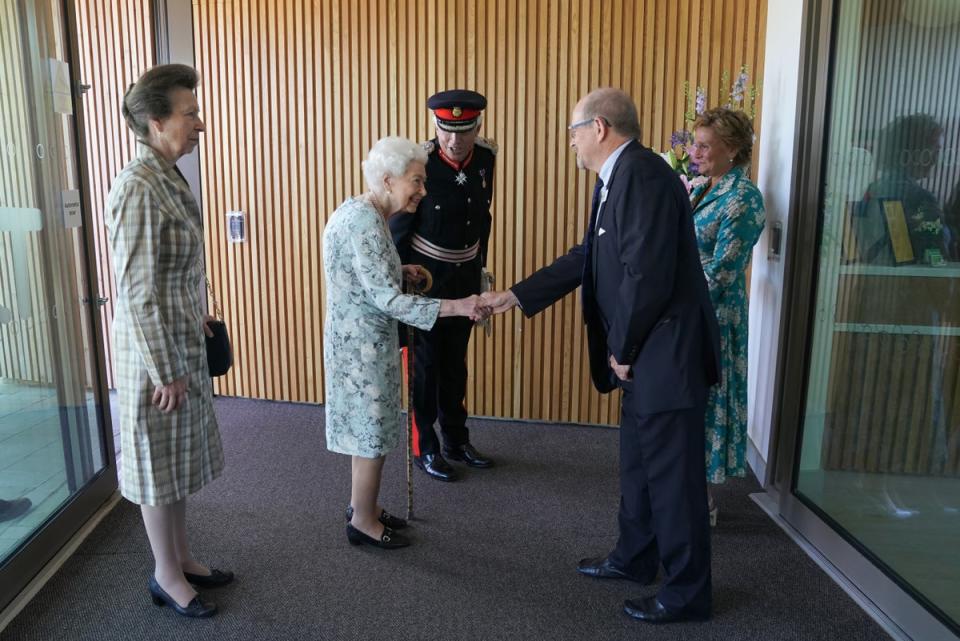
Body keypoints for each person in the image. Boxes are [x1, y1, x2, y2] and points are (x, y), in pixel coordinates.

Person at [483, 88, 720, 624]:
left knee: (675, 481)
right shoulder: (619, 178)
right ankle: (635, 559)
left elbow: (647, 273)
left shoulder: (641, 174)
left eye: (573, 131)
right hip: (646, 352)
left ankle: (687, 594)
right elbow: (589, 256)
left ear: (600, 128)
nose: (570, 141)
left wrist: (622, 348)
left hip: (663, 353)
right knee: (639, 466)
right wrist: (517, 295)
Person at [323, 137, 490, 549]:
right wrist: (459, 305)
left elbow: (371, 275)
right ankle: (362, 520)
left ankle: (364, 506)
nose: (423, 191)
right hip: (362, 348)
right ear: (387, 180)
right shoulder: (365, 221)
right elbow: (387, 300)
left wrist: (401, 268)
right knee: (371, 436)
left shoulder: (363, 210)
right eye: (416, 181)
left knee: (369, 432)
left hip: (361, 342)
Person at [105, 64, 229, 619]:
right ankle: (164, 575)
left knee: (177, 460)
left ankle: (181, 558)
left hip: (178, 340)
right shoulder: (136, 185)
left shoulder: (166, 172)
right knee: (158, 465)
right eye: (189, 113)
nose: (199, 123)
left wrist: (196, 314)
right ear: (156, 122)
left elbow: (168, 274)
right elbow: (136, 292)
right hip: (153, 358)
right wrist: (165, 370)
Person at [389, 90, 497, 482]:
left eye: (464, 131)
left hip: (465, 276)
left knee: (455, 363)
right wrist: (400, 283)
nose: (454, 140)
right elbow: (398, 228)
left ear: (477, 127)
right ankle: (426, 447)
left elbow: (481, 219)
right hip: (425, 278)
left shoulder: (486, 158)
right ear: (435, 127)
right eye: (446, 130)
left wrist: (480, 273)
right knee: (425, 368)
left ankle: (455, 439)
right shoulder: (419, 163)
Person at [687, 107, 766, 524]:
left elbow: (722, 270)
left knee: (706, 403)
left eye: (703, 145)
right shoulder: (707, 186)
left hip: (713, 316)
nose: (694, 152)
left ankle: (703, 504)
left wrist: (672, 287)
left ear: (732, 149)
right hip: (690, 310)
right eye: (695, 143)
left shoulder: (744, 198)